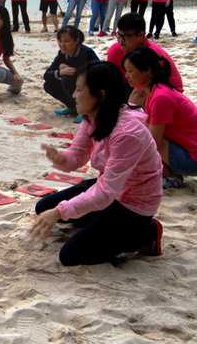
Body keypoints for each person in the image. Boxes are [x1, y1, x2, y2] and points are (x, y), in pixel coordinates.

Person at [30, 61, 163, 266]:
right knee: (44, 207)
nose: (74, 95)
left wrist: (60, 212)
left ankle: (147, 234)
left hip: (133, 203)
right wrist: (61, 158)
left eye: (79, 89)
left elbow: (104, 194)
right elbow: (77, 155)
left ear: (100, 94)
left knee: (70, 255)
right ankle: (98, 224)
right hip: (110, 190)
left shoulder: (128, 133)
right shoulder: (92, 117)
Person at [123, 48, 197, 189]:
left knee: (144, 137)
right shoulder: (153, 91)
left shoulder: (161, 97)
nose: (126, 76)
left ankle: (168, 176)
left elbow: (153, 142)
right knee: (140, 129)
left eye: (130, 71)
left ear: (147, 71)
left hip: (195, 160)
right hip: (191, 151)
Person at [106, 13, 183, 106]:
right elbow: (112, 82)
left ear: (141, 35)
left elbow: (174, 88)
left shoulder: (152, 54)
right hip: (135, 87)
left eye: (126, 36)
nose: (121, 41)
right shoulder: (115, 51)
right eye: (119, 35)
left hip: (164, 94)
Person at [43, 26, 99, 123]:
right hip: (74, 86)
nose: (62, 45)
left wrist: (75, 71)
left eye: (66, 41)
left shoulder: (86, 52)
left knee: (67, 79)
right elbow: (46, 75)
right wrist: (60, 72)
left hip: (90, 87)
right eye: (60, 41)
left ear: (76, 40)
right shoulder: (62, 54)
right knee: (48, 84)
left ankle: (85, 111)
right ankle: (72, 107)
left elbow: (98, 70)